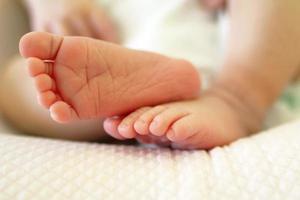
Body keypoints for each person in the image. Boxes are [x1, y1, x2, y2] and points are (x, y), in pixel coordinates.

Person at [2, 0, 300, 149]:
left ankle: (236, 100)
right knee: (20, 77)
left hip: (235, 41)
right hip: (108, 46)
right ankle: (120, 98)